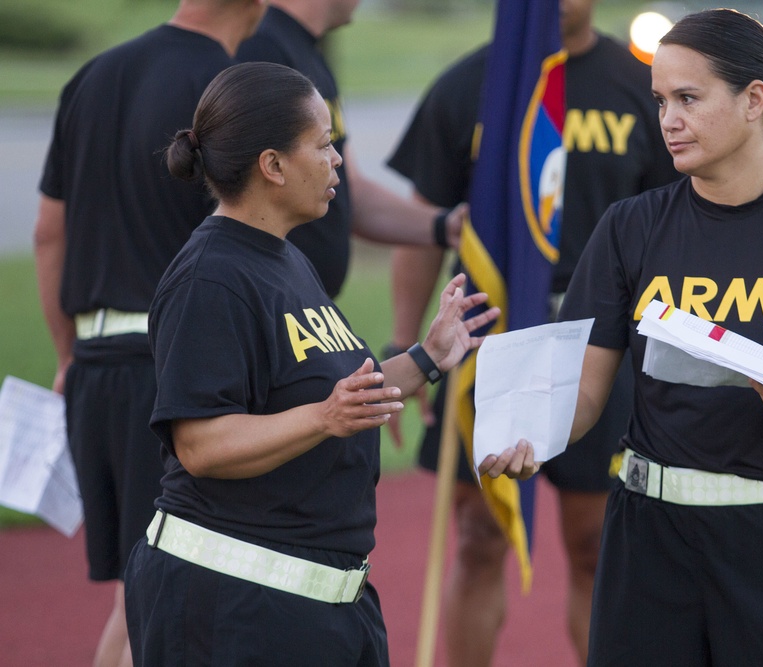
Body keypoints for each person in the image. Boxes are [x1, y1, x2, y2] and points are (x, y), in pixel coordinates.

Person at [480, 8, 763, 666]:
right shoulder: (629, 228)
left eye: (688, 98)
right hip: (649, 541)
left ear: (753, 100)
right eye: (660, 101)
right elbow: (588, 396)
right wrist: (530, 437)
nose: (668, 120)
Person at [123, 61, 500, 666]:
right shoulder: (210, 277)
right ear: (272, 165)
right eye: (323, 144)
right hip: (229, 608)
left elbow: (340, 397)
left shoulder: (285, 259)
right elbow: (201, 443)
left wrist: (429, 357)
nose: (338, 160)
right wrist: (324, 417)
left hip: (317, 604)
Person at [384, 0, 680, 663]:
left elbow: (676, 228)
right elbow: (424, 229)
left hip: (603, 343)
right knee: (477, 536)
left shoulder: (643, 87)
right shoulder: (472, 84)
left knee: (596, 540)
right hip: (486, 339)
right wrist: (406, 350)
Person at [32, 2, 267, 665]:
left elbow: (49, 233)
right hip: (176, 374)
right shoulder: (234, 90)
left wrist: (66, 355)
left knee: (141, 596)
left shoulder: (94, 74)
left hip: (96, 365)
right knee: (171, 600)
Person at [237, 0, 464, 298]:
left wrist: (446, 226)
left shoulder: (307, 53)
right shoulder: (263, 51)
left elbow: (348, 189)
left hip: (307, 310)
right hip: (273, 312)